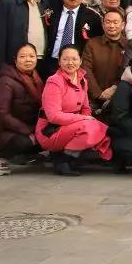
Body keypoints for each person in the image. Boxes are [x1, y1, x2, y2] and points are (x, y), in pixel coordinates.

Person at [35, 45, 113, 176]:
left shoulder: (82, 80)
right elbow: (53, 116)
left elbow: (86, 108)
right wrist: (83, 119)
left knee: (101, 127)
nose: (70, 63)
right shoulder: (54, 81)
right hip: (50, 130)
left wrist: (86, 118)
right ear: (59, 61)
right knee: (90, 127)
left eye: (74, 59)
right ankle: (63, 160)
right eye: (65, 59)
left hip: (72, 127)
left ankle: (68, 158)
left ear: (80, 61)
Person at [0, 44, 44, 174]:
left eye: (31, 56)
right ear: (15, 60)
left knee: (48, 137)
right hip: (5, 130)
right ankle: (0, 157)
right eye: (22, 56)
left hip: (28, 126)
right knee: (25, 142)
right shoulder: (6, 80)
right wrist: (27, 130)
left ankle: (26, 155)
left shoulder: (36, 78)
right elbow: (1, 113)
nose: (28, 60)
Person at [0, 0, 49, 73]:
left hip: (41, 60)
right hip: (16, 62)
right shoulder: (7, 3)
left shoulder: (44, 3)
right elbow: (0, 37)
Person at [46, 0, 103, 74]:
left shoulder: (92, 16)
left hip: (78, 64)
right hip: (53, 61)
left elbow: (97, 41)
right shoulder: (52, 13)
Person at [82, 10, 128, 113]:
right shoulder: (92, 44)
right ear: (103, 25)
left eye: (115, 22)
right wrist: (98, 93)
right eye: (108, 22)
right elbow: (86, 69)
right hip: (92, 98)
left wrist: (115, 88)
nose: (111, 26)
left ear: (123, 25)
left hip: (119, 98)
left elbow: (129, 73)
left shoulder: (129, 46)